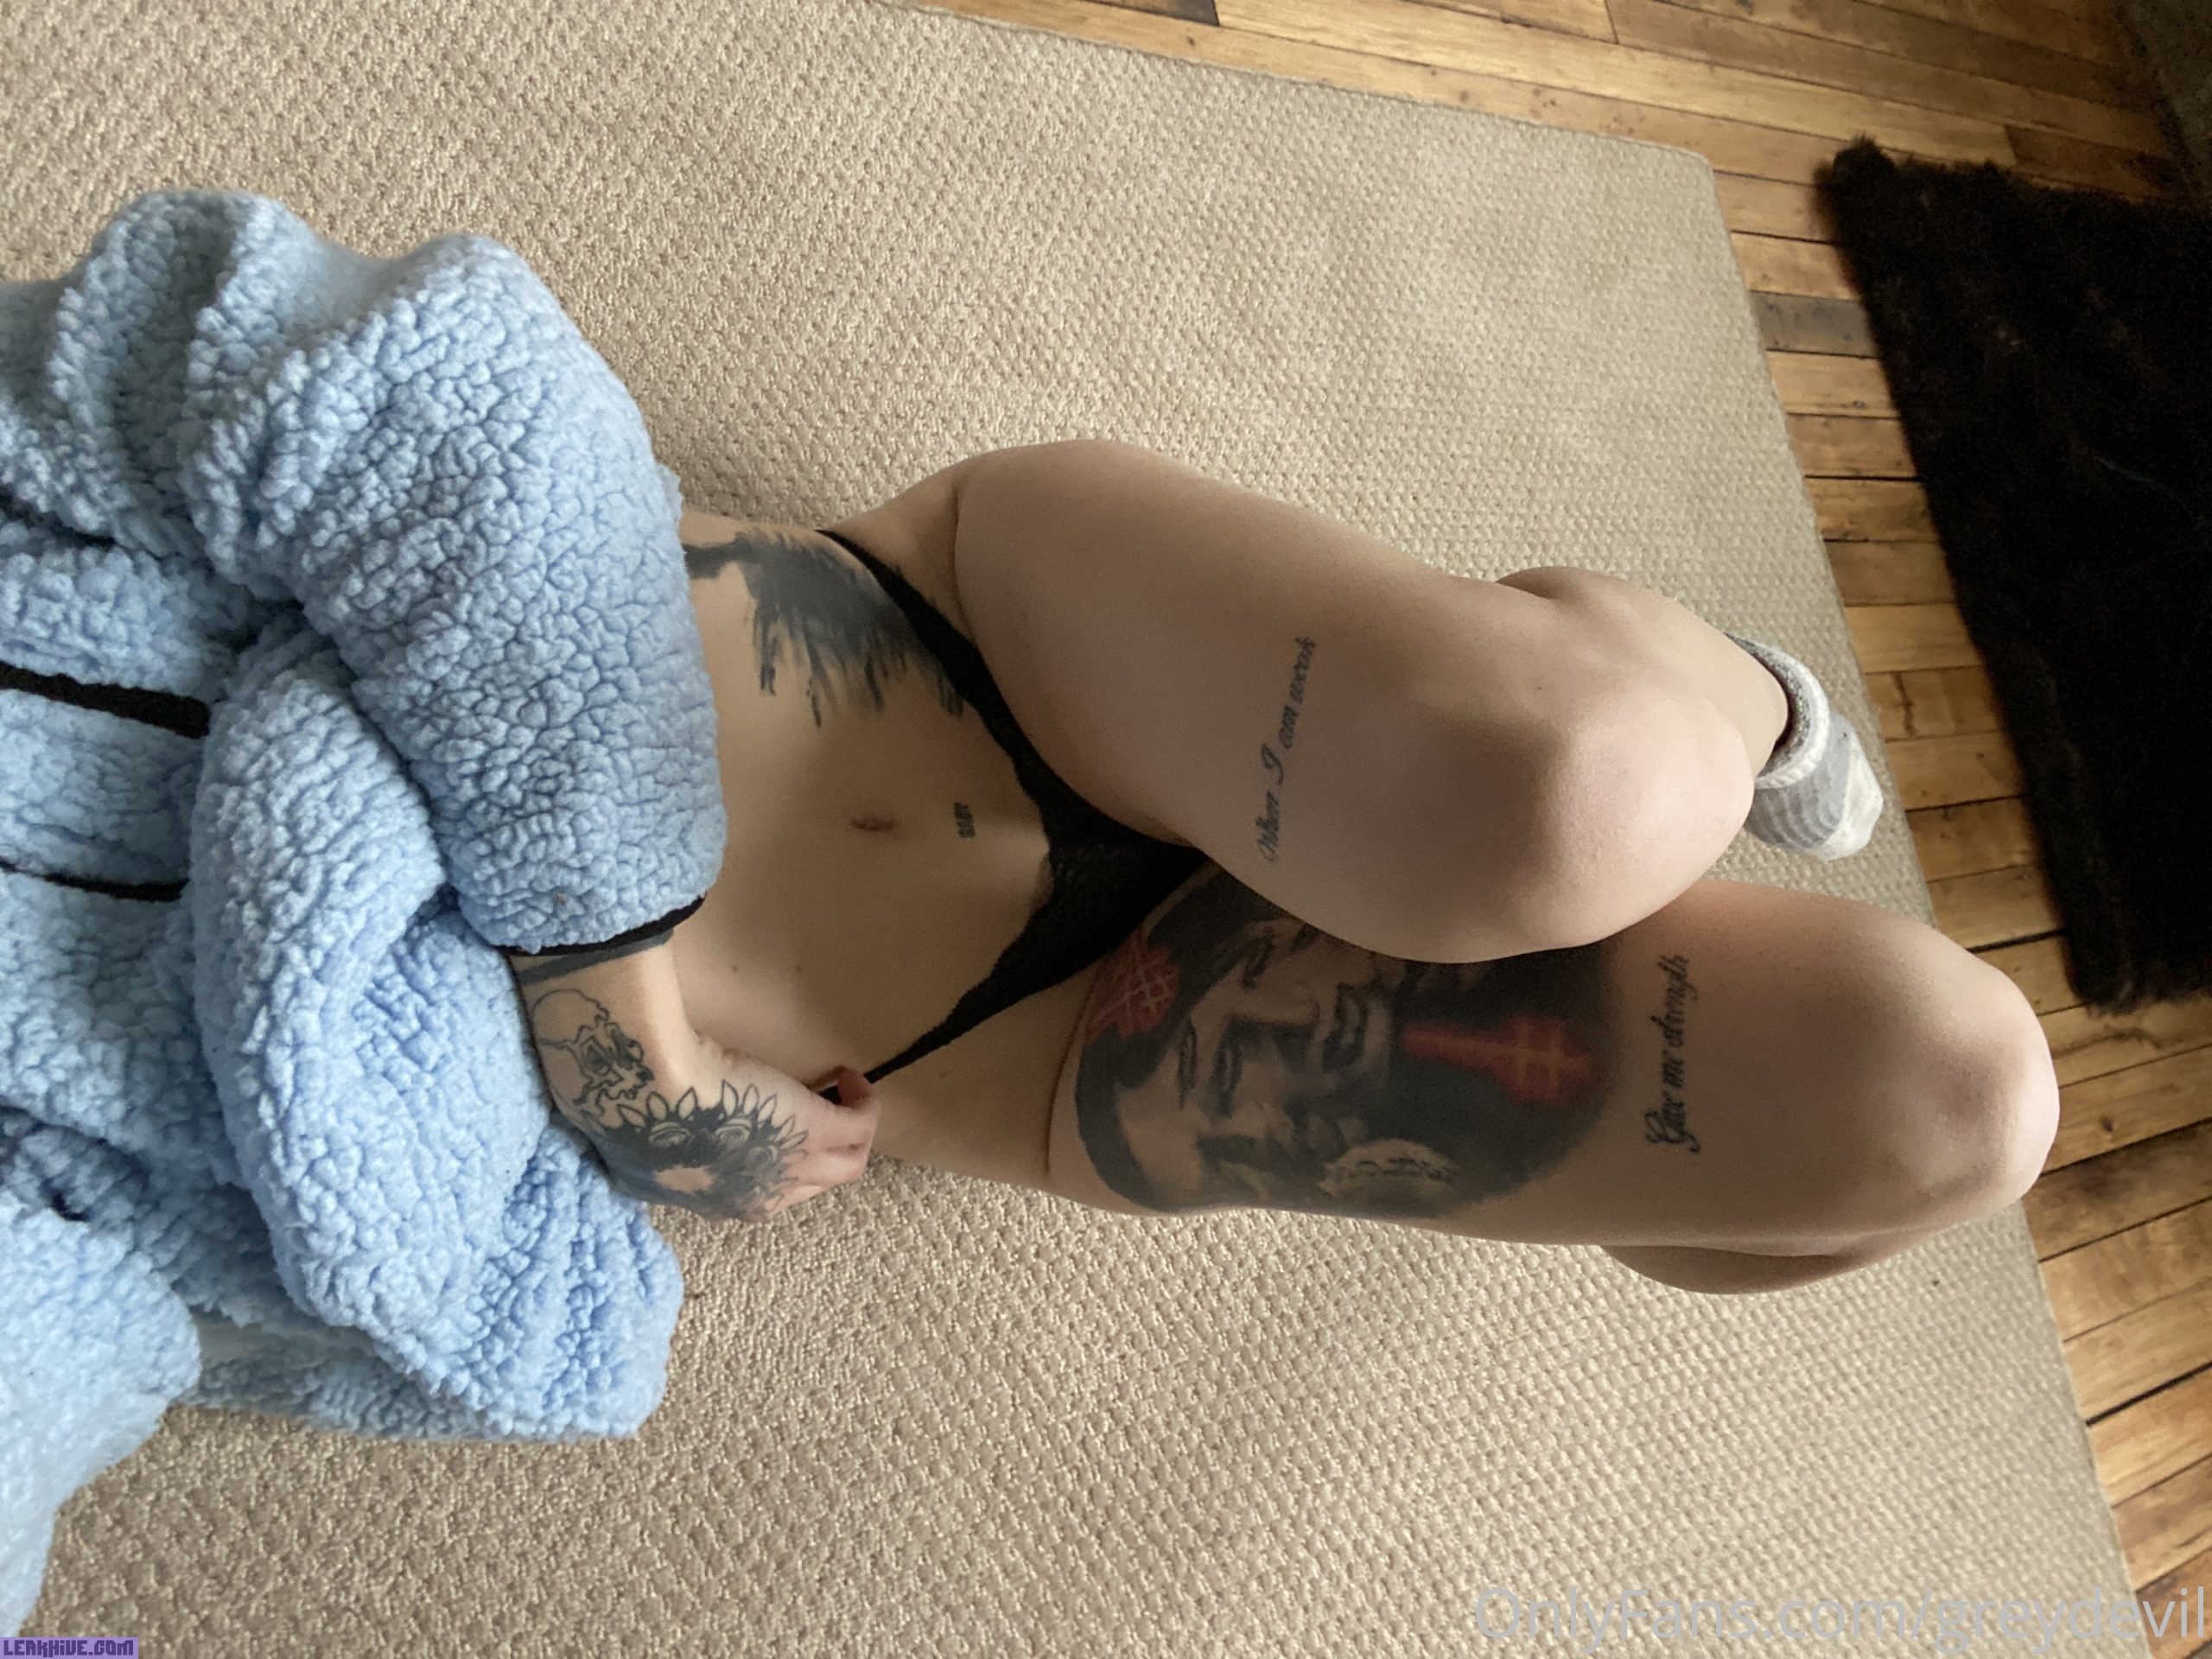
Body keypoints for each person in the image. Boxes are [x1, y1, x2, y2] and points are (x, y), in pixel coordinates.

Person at [504, 438, 2060, 1294]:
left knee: (1572, 784)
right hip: (1030, 1045)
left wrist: (621, 1040)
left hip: (970, 636)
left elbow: (466, 460)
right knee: (1959, 1103)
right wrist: (634, 1072)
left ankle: (1749, 703)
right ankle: (1646, 763)